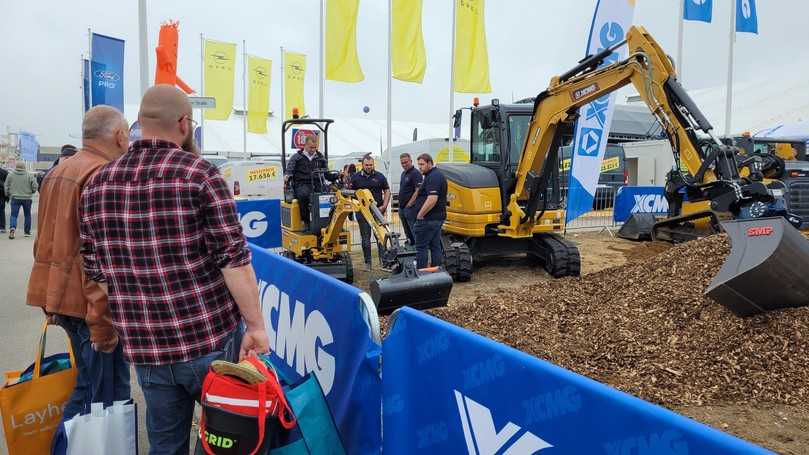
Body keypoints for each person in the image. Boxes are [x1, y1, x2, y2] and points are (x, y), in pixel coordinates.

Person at [79, 85, 269, 455]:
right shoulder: (200, 175)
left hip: (146, 347)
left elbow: (94, 270)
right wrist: (257, 326)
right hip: (207, 338)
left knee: (165, 443)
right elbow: (234, 261)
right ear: (184, 123)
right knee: (227, 437)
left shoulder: (98, 184)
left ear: (138, 125)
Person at [27, 106, 131, 425]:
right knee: (103, 399)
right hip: (91, 307)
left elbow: (44, 240)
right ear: (119, 135)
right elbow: (97, 256)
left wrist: (50, 300)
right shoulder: (101, 174)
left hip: (66, 299)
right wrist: (102, 321)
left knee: (91, 390)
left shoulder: (60, 170)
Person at [351, 156, 390, 271]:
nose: (368, 167)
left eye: (370, 165)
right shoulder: (355, 178)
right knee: (365, 239)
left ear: (373, 164)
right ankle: (368, 263)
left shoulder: (380, 176)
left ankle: (384, 262)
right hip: (362, 212)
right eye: (366, 165)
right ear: (362, 165)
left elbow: (387, 190)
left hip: (378, 211)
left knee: (381, 237)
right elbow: (349, 193)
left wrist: (385, 205)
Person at [284, 135, 327, 230]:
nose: (313, 149)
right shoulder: (297, 157)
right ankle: (306, 221)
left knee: (326, 196)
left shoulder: (320, 158)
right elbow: (289, 169)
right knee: (304, 195)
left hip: (317, 184)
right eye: (311, 147)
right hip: (302, 183)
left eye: (315, 147)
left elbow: (326, 173)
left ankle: (324, 221)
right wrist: (287, 176)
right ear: (305, 146)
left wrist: (337, 176)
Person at [413, 153, 448, 269]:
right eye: (419, 165)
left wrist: (420, 214)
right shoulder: (433, 175)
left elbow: (432, 198)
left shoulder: (434, 176)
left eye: (422, 164)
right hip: (435, 218)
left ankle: (422, 273)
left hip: (429, 219)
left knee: (421, 248)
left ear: (429, 163)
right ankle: (436, 272)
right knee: (435, 246)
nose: (420, 167)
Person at [4, 161, 38, 239]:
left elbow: (6, 186)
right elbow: (35, 186)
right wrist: (32, 192)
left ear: (16, 167)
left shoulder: (10, 175)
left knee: (14, 215)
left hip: (15, 198)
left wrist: (8, 194)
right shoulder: (29, 175)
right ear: (24, 167)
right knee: (27, 215)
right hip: (27, 198)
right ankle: (27, 232)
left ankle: (12, 228)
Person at [397, 152, 421, 245]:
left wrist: (410, 204)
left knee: (414, 230)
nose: (404, 164)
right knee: (407, 231)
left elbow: (418, 190)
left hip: (411, 208)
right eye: (402, 163)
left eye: (406, 162)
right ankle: (411, 248)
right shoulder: (403, 173)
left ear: (411, 161)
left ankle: (418, 251)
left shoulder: (416, 173)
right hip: (402, 208)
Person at [0, 166, 7, 233]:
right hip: (2, 194)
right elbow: (7, 184)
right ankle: (2, 227)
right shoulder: (4, 172)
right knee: (2, 211)